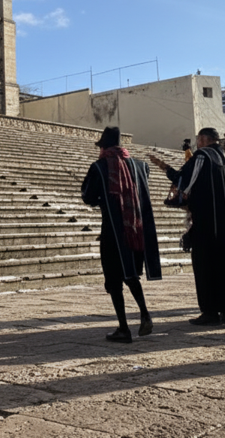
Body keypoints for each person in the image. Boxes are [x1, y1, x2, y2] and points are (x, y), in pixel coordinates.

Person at [150, 128, 225, 325]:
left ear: (203, 139)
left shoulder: (202, 156)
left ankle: (210, 312)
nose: (197, 143)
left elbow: (184, 182)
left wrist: (164, 167)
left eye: (198, 139)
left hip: (207, 221)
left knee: (206, 265)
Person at [82, 127, 161, 342]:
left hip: (112, 231)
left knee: (114, 280)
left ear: (104, 147)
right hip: (136, 229)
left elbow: (87, 196)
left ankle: (124, 328)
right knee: (131, 275)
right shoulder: (140, 166)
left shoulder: (99, 167)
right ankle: (145, 314)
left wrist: (103, 201)